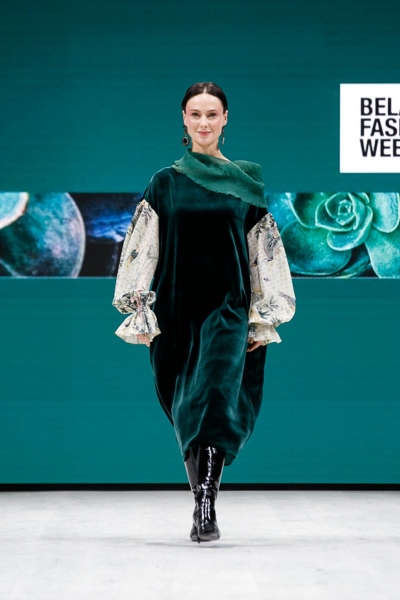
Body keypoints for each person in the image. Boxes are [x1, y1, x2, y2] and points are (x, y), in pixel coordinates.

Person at [112, 82, 296, 543]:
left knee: (214, 399)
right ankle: (201, 501)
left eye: (212, 114)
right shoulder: (164, 183)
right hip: (175, 310)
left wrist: (263, 316)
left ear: (225, 118)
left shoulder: (246, 184)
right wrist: (140, 310)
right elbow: (142, 249)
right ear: (184, 119)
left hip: (227, 307)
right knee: (188, 410)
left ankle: (206, 504)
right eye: (195, 114)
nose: (204, 122)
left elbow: (264, 253)